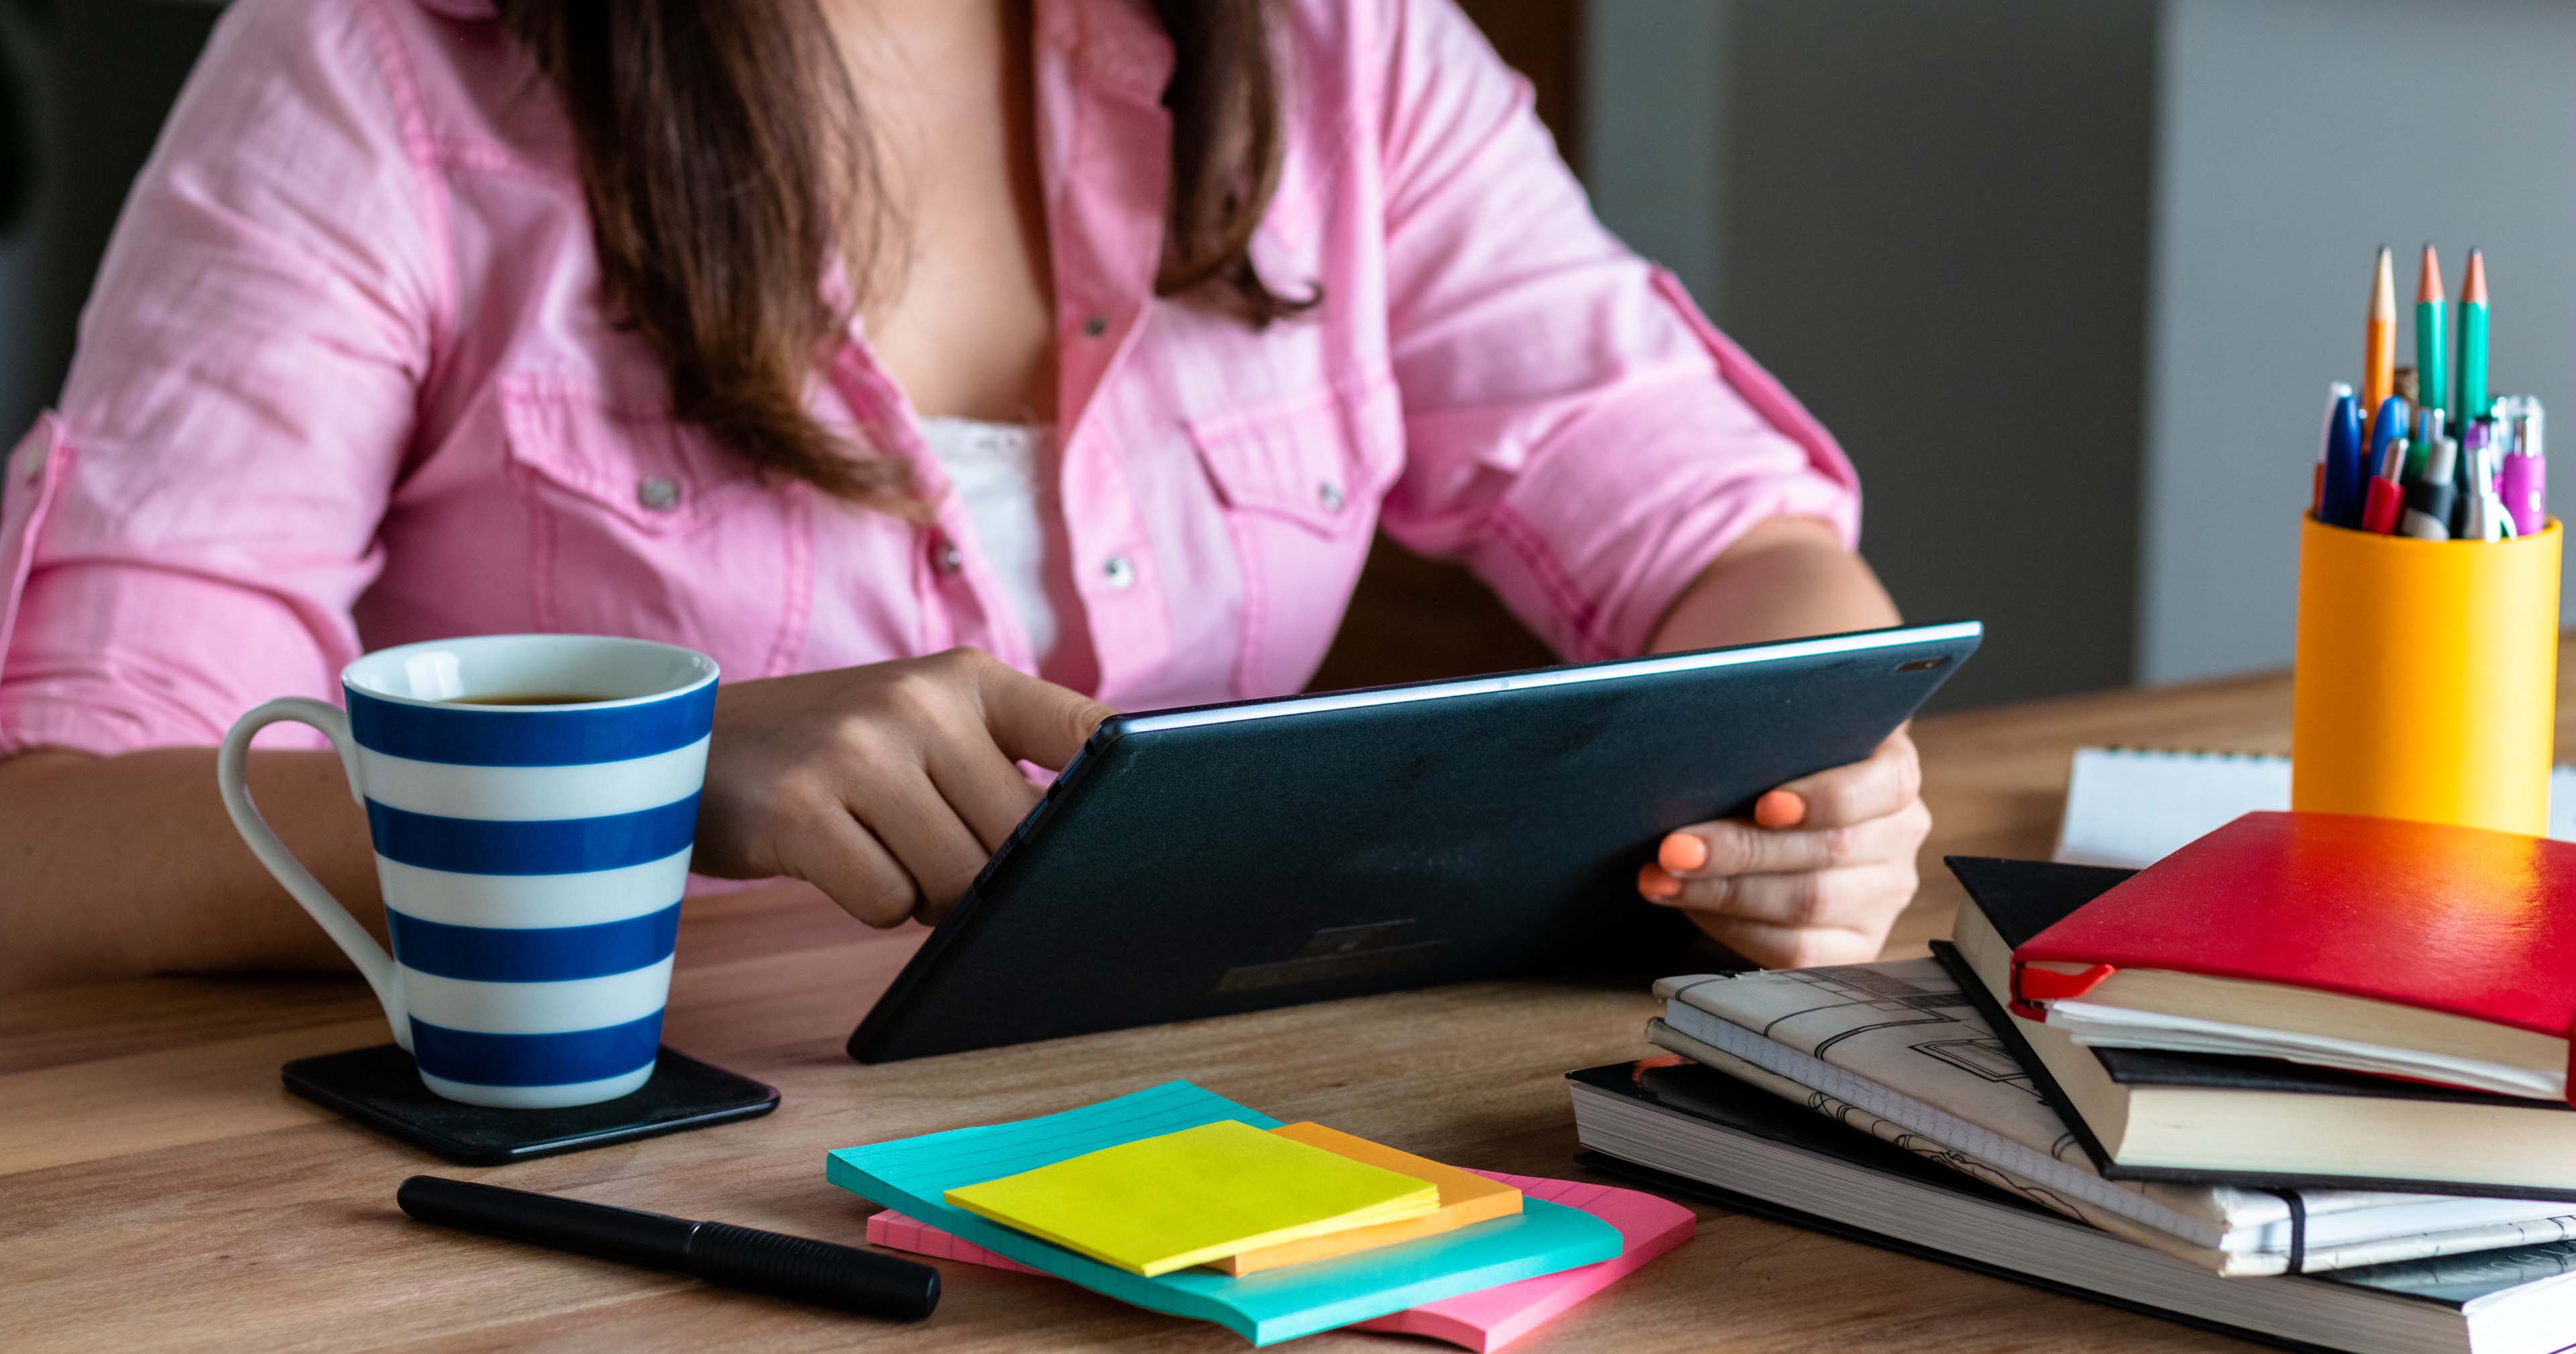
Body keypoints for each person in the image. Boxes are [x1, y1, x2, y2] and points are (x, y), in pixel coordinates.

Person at [0, 0, 1922, 993]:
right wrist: (646, 780)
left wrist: (1811, 765)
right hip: (600, 1206)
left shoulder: (1338, 48)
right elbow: (63, 845)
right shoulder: (378, 73)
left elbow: (1731, 541)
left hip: (1204, 1184)